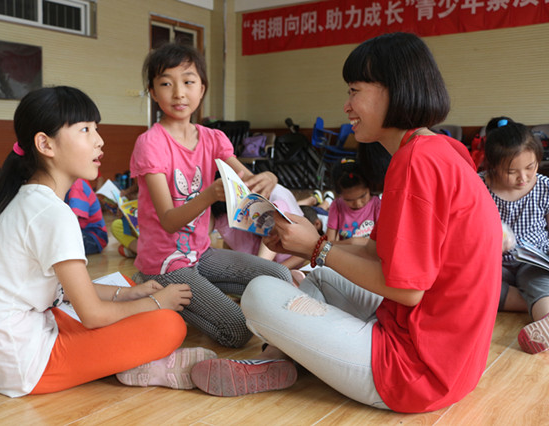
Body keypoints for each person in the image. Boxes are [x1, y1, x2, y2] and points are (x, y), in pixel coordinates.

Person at [191, 32, 502, 413]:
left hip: (415, 371)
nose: (347, 105)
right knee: (320, 278)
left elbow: (407, 291)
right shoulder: (440, 150)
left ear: (395, 90)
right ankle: (281, 361)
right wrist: (309, 243)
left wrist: (317, 247)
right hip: (453, 359)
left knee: (259, 292)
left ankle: (280, 359)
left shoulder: (416, 162)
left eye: (354, 90)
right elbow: (375, 254)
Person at [0, 86, 215, 398]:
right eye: (85, 130)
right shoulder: (53, 214)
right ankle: (144, 365)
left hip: (9, 349)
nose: (99, 140)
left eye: (96, 128)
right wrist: (158, 302)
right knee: (169, 325)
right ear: (45, 144)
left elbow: (62, 289)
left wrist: (131, 294)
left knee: (124, 288)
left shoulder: (25, 198)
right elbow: (92, 315)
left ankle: (129, 355)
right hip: (27, 366)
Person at [130, 43, 292, 349]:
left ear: (202, 89)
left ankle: (201, 293)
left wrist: (270, 178)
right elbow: (168, 221)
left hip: (201, 254)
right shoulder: (150, 143)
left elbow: (247, 182)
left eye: (188, 82)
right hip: (165, 263)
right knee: (237, 331)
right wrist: (209, 195)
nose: (179, 93)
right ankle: (155, 289)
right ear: (152, 92)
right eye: (166, 83)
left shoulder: (213, 138)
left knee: (280, 275)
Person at [479, 117, 549, 354]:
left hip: (533, 259)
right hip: (493, 262)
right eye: (512, 172)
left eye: (531, 167)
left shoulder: (544, 186)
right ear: (493, 166)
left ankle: (545, 323)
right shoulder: (479, 187)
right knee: (479, 285)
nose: (524, 178)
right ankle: (534, 301)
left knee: (537, 280)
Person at [325, 162, 381, 243]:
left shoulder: (377, 205)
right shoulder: (337, 206)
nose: (358, 203)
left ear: (369, 187)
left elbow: (381, 241)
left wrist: (352, 242)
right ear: (339, 195)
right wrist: (351, 242)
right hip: (344, 250)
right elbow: (329, 242)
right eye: (349, 200)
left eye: (362, 196)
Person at [64, 178, 108, 255]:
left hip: (94, 236)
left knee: (63, 242)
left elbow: (73, 220)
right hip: (80, 232)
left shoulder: (76, 186)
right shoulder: (64, 186)